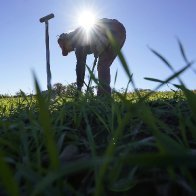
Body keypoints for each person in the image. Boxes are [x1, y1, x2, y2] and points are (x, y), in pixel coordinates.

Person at [58, 18, 126, 96]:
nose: (68, 50)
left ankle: (103, 97)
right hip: (120, 31)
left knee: (102, 66)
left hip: (111, 30)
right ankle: (104, 96)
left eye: (64, 48)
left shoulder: (76, 39)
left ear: (66, 41)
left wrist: (79, 88)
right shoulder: (76, 38)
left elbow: (80, 65)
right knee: (104, 65)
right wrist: (96, 50)